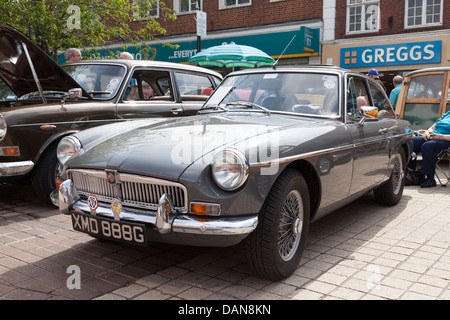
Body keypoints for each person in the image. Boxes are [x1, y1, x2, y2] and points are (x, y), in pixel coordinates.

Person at [407, 111, 450, 188]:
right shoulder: (448, 114)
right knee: (411, 141)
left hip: (446, 140)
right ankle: (411, 173)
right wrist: (427, 132)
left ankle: (430, 179)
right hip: (434, 136)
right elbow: (433, 127)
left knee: (427, 146)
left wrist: (441, 136)